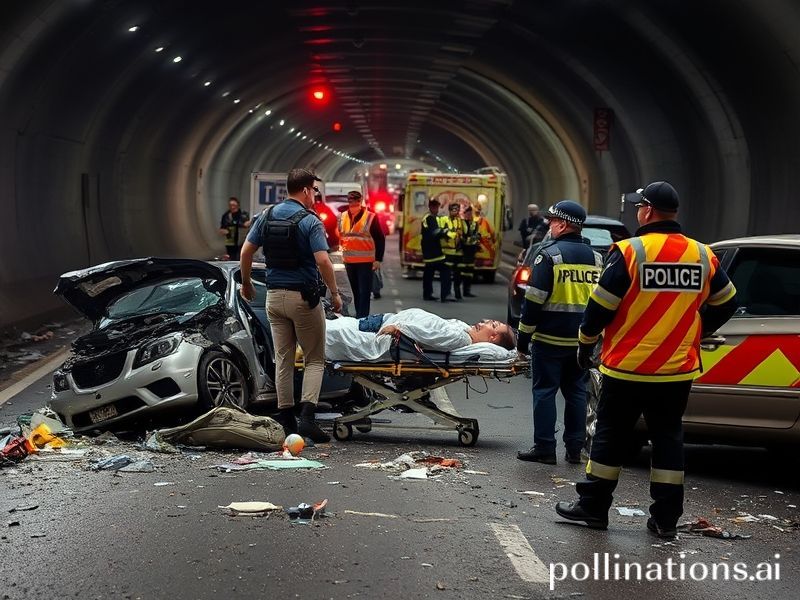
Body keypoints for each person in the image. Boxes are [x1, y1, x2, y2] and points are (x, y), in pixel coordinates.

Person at [555, 181, 738, 538]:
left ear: (649, 211)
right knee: (668, 439)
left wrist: (584, 343)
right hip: (676, 370)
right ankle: (665, 519)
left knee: (610, 437)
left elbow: (600, 307)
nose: (638, 211)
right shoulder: (702, 254)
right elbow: (728, 301)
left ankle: (594, 508)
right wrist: (695, 330)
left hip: (628, 366)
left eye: (640, 206)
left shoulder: (629, 251)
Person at [239, 168, 343, 443]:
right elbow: (322, 260)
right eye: (315, 191)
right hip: (303, 299)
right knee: (314, 358)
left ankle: (285, 418)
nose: (315, 196)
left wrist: (247, 284)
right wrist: (334, 293)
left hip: (273, 297)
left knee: (283, 358)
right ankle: (307, 418)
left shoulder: (267, 216)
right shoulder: (311, 221)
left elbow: (245, 252)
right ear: (307, 190)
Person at [516, 200, 603, 465]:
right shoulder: (596, 258)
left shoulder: (549, 255)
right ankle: (575, 449)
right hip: (581, 342)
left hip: (549, 340)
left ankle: (544, 448)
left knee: (544, 392)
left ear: (563, 224)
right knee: (577, 393)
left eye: (552, 221)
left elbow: (533, 302)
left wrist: (522, 341)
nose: (549, 226)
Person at [325, 308, 517, 362]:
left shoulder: (459, 339)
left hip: (384, 328)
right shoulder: (464, 331)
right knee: (336, 326)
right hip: (385, 322)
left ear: (493, 338)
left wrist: (398, 327)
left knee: (330, 331)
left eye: (491, 324)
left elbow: (427, 334)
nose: (483, 321)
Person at [339, 190, 385, 318]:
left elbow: (380, 238)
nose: (353, 202)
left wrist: (378, 259)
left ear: (360, 201)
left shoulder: (370, 217)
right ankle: (359, 315)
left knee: (364, 292)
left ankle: (362, 317)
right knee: (356, 291)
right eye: (351, 200)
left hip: (366, 261)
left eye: (356, 200)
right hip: (349, 261)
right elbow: (341, 236)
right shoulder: (343, 216)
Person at [420, 198, 451, 302]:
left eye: (437, 207)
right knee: (445, 270)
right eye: (435, 207)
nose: (437, 209)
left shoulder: (427, 217)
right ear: (431, 207)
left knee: (429, 273)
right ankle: (445, 295)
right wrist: (445, 231)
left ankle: (427, 294)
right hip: (433, 251)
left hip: (428, 249)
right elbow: (435, 233)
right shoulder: (430, 218)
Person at [441, 202, 466, 301]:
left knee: (458, 275)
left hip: (457, 252)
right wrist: (453, 235)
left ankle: (457, 294)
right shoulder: (444, 220)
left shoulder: (459, 221)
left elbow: (462, 233)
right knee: (446, 275)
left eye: (457, 209)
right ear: (450, 210)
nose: (456, 211)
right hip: (447, 252)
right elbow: (442, 232)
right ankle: (445, 294)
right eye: (454, 209)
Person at [460, 205, 481, 298]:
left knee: (469, 272)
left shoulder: (475, 224)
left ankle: (467, 291)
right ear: (464, 214)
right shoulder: (461, 223)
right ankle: (459, 291)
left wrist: (477, 238)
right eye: (467, 213)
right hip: (463, 251)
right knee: (462, 272)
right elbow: (461, 236)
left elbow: (476, 234)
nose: (468, 215)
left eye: (470, 213)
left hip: (471, 251)